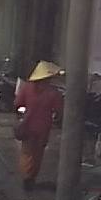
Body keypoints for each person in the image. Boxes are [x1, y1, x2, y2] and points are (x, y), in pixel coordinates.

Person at [14, 60, 64, 191]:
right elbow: (59, 111)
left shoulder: (26, 88)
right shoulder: (53, 92)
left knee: (26, 153)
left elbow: (17, 104)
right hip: (43, 129)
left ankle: (26, 177)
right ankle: (31, 178)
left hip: (27, 126)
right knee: (37, 155)